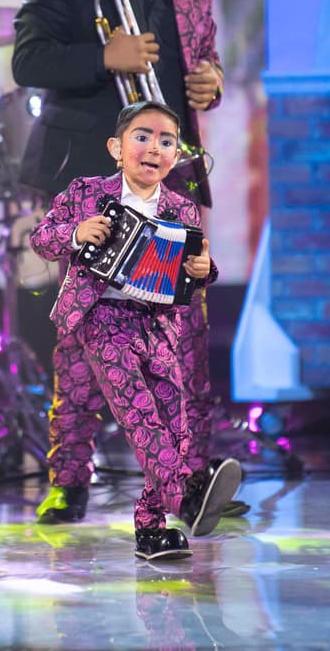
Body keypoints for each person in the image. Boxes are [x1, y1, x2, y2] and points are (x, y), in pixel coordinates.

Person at [11, 0, 237, 525]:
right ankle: (68, 477)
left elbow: (201, 56)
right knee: (87, 333)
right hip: (95, 177)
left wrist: (211, 80)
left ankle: (191, 478)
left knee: (181, 332)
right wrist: (101, 55)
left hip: (171, 177)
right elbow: (29, 59)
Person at [29, 100, 239, 559]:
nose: (154, 148)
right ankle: (187, 494)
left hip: (158, 325)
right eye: (142, 136)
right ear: (116, 148)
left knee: (170, 421)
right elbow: (40, 239)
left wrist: (204, 269)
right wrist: (75, 233)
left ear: (175, 155)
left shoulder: (182, 209)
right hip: (102, 321)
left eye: (166, 141)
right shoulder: (87, 193)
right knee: (141, 416)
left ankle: (151, 529)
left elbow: (195, 270)